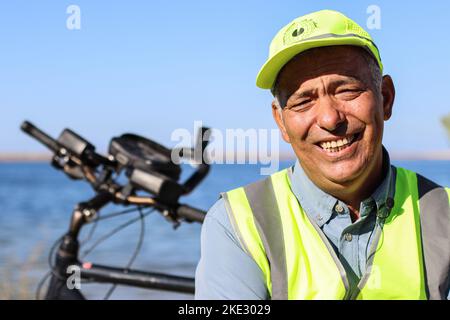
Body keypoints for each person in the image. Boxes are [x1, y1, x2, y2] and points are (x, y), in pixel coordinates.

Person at [195, 9, 450, 300]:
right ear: (281, 122)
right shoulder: (237, 222)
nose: (330, 119)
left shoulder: (443, 213)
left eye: (347, 90)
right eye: (303, 101)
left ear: (386, 98)